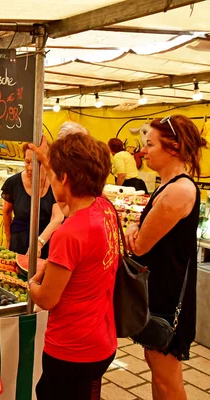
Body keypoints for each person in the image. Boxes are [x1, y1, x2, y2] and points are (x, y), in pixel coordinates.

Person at [28, 133, 120, 400]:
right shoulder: (104, 208)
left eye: (54, 174)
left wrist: (31, 282)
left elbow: (46, 298)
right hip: (102, 340)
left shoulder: (69, 233)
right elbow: (67, 203)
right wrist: (48, 163)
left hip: (71, 348)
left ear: (65, 177)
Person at [125, 115, 205, 400]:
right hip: (160, 291)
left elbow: (140, 245)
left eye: (150, 144)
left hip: (170, 299)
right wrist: (135, 225)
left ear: (173, 147)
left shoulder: (179, 190)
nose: (143, 151)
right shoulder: (168, 185)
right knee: (157, 368)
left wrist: (133, 228)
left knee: (167, 376)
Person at [2, 143, 63, 259]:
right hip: (19, 239)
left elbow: (57, 218)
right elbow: (6, 211)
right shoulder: (13, 183)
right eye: (27, 162)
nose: (30, 168)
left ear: (47, 162)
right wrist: (8, 239)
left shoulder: (56, 184)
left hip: (46, 240)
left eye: (37, 163)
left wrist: (39, 243)